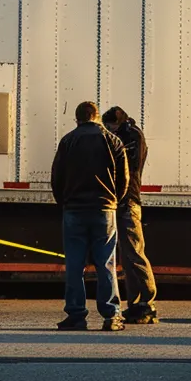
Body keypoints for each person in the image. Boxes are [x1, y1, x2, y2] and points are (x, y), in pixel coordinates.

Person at [49, 101, 131, 332]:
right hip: (104, 209)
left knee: (74, 265)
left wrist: (64, 202)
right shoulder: (113, 141)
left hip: (74, 210)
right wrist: (114, 200)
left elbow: (57, 177)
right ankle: (111, 316)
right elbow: (123, 178)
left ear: (77, 119)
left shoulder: (67, 141)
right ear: (96, 117)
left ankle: (76, 315)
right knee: (106, 264)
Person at [103, 106, 159, 324]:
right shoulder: (130, 135)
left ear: (116, 123)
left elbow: (128, 169)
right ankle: (136, 304)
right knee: (128, 257)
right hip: (125, 200)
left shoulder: (130, 136)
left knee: (134, 253)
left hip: (128, 200)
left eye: (110, 127)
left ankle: (147, 303)